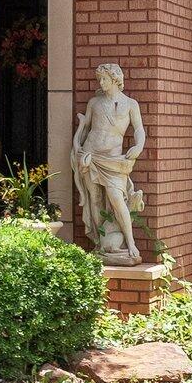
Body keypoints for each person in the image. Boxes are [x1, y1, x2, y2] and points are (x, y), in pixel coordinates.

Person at [71, 61, 147, 264]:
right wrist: (79, 152)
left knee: (116, 198)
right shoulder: (94, 103)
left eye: (104, 79)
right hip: (91, 155)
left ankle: (130, 243)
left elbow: (138, 129)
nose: (101, 83)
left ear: (115, 79)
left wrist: (138, 146)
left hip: (114, 160)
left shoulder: (130, 104)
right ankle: (100, 242)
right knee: (94, 199)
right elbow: (84, 129)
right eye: (100, 79)